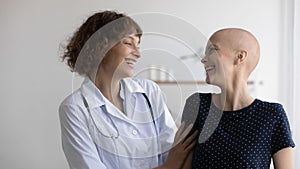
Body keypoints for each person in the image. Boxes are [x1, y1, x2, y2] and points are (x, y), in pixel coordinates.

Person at [59, 11, 198, 169]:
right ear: (100, 46)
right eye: (128, 43)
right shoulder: (75, 109)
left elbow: (174, 150)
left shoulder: (149, 91)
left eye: (138, 45)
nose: (138, 53)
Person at [181, 28, 295, 169]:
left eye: (212, 50)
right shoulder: (197, 105)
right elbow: (183, 164)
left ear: (240, 57)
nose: (204, 59)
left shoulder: (273, 115)